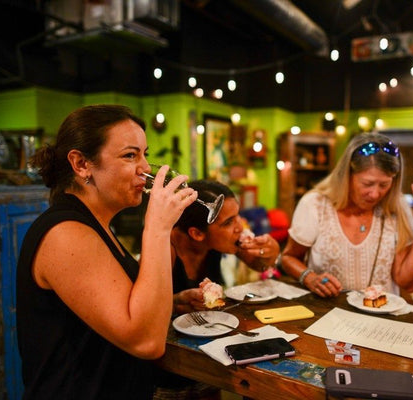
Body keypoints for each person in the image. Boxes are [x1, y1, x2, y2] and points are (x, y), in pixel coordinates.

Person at [16, 104, 197, 399]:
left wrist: (171, 302)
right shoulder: (64, 233)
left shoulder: (98, 227)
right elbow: (147, 343)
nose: (147, 168)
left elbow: (114, 309)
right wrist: (157, 228)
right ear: (82, 164)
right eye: (130, 155)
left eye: (144, 154)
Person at [281, 133, 413, 297]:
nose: (375, 194)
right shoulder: (315, 205)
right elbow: (288, 257)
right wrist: (310, 278)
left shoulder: (397, 208)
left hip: (381, 316)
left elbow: (407, 283)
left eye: (384, 184)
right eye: (367, 183)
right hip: (328, 313)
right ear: (347, 176)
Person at [170, 179, 280, 314]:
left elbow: (258, 264)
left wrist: (271, 253)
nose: (240, 227)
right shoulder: (165, 249)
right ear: (197, 233)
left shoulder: (221, 239)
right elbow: (142, 309)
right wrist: (175, 302)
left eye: (237, 216)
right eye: (229, 222)